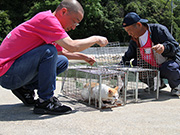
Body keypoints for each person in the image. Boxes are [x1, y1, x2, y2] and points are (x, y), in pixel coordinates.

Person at [0, 0, 108, 115]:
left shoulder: (49, 26)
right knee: (49, 50)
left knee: (62, 62)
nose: (73, 28)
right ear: (64, 11)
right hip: (7, 74)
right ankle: (45, 101)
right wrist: (95, 39)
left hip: (14, 72)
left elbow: (63, 53)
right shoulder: (47, 20)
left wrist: (83, 57)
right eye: (74, 22)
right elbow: (71, 46)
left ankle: (25, 88)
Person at [121, 12, 180, 96]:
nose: (129, 34)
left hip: (166, 64)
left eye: (129, 30)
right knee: (136, 63)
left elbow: (175, 46)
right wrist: (118, 67)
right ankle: (157, 85)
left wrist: (164, 47)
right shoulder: (134, 40)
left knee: (170, 67)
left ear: (138, 25)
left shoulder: (158, 30)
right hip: (152, 67)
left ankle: (177, 86)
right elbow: (128, 56)